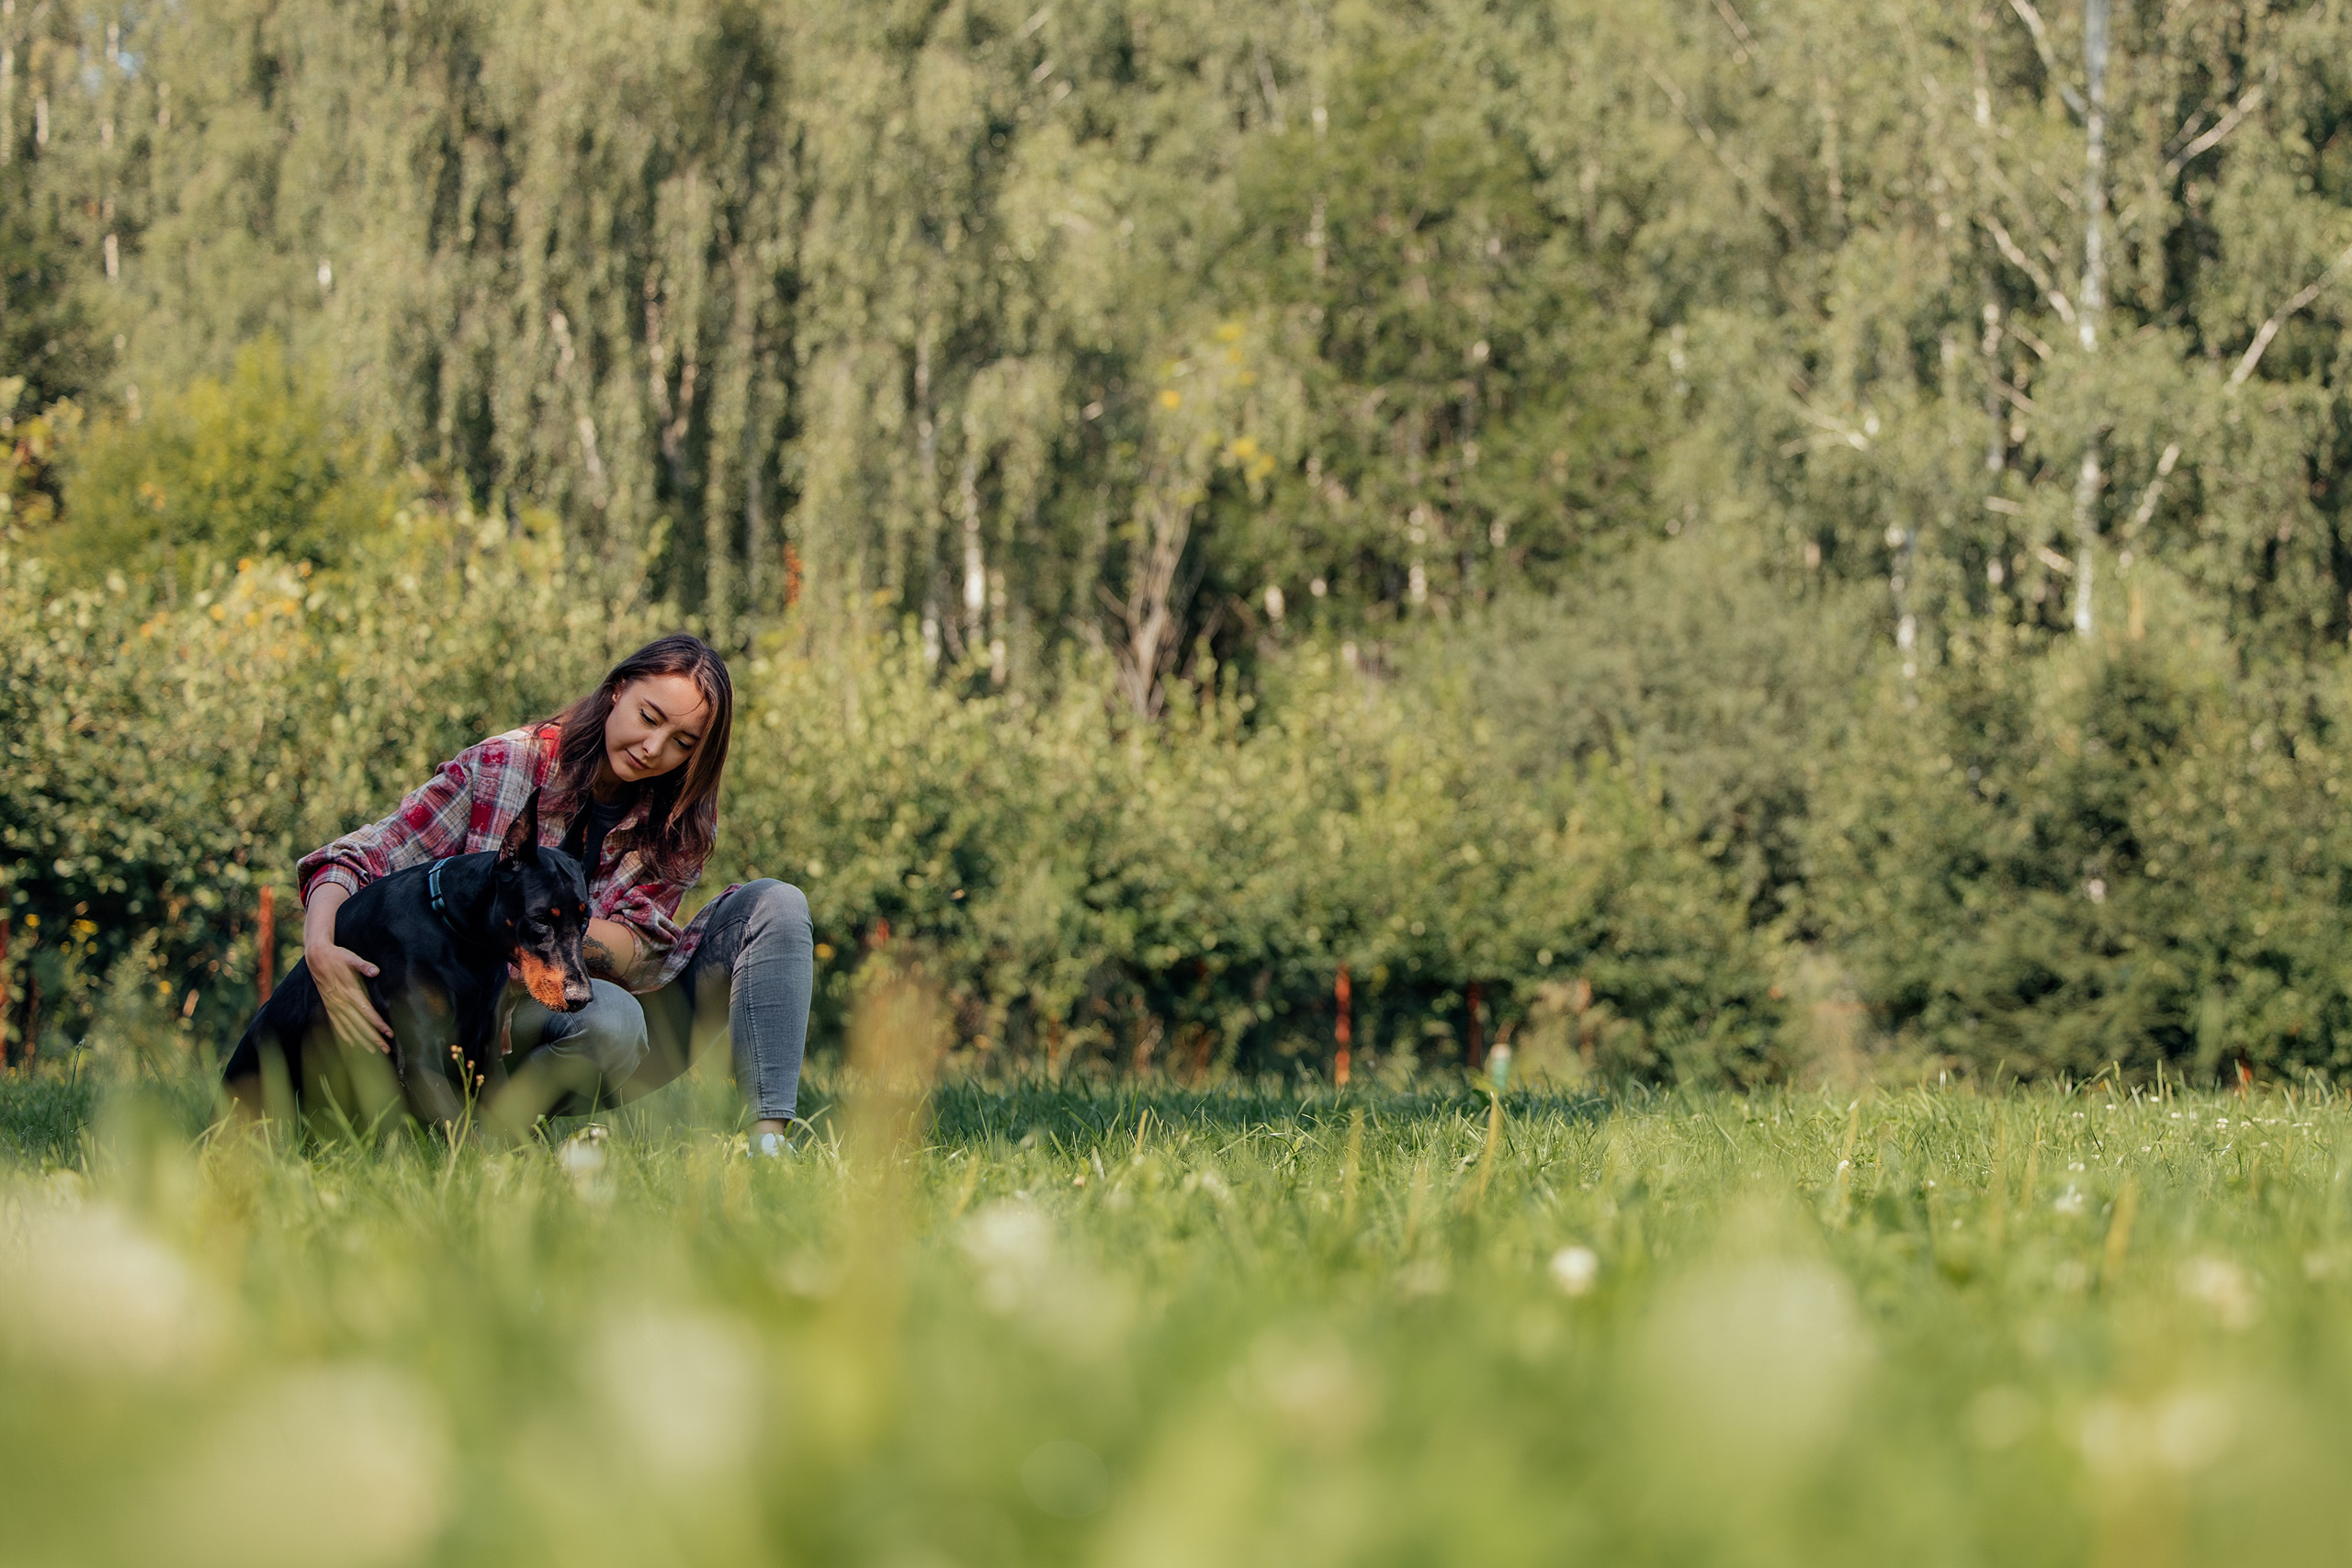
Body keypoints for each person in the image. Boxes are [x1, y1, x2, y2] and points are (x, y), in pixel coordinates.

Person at [294, 633, 812, 1153]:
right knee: (612, 1020)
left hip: (598, 1015)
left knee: (777, 905)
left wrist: (529, 951)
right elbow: (359, 855)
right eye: (649, 718)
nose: (654, 748)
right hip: (470, 1021)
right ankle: (487, 1139)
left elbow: (641, 951)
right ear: (617, 689)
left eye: (682, 743)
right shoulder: (505, 764)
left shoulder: (682, 820)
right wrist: (319, 947)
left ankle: (768, 1150)